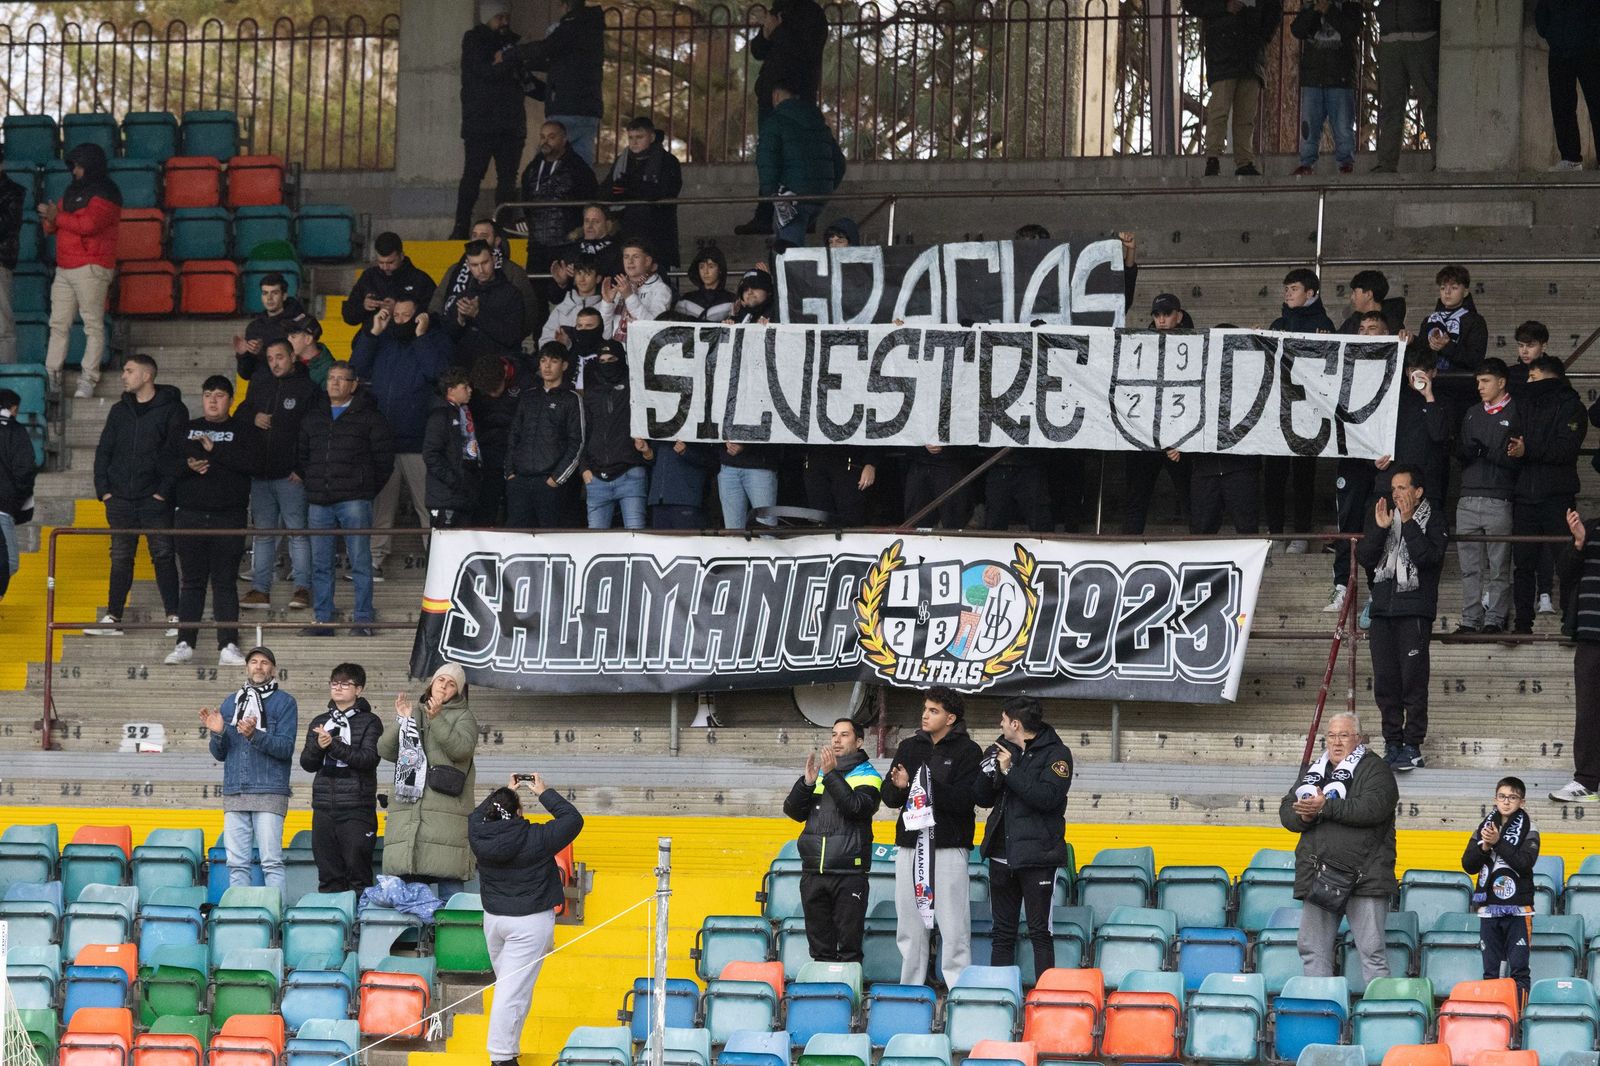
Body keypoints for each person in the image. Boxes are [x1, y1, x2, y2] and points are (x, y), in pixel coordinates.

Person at [470, 773, 584, 1066]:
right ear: (519, 812)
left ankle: (508, 1048)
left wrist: (503, 793)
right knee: (512, 992)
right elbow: (572, 819)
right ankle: (501, 1056)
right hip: (530, 923)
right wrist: (543, 792)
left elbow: (477, 814)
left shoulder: (476, 831)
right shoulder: (536, 837)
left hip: (494, 920)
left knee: (513, 989)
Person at [1281, 711, 1398, 982]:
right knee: (1312, 950)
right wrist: (1304, 815)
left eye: (1343, 735)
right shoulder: (1315, 771)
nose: (1336, 742)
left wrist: (1325, 807)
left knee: (1372, 952)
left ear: (1358, 739)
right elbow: (1287, 810)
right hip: (1320, 875)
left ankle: (1380, 1018)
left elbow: (1373, 809)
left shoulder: (1376, 769)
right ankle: (1319, 1014)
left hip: (1365, 877)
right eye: (1331, 736)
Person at [879, 687, 984, 987]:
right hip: (910, 845)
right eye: (925, 709)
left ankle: (958, 988)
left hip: (949, 847)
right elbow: (888, 796)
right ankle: (911, 987)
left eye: (933, 710)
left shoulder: (968, 751)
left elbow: (964, 800)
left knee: (953, 926)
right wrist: (900, 788)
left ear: (951, 717)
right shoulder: (909, 747)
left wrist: (917, 784)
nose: (925, 715)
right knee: (910, 925)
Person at [352, 297, 453, 577]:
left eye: (406, 315)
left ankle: (438, 565)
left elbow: (438, 374)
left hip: (419, 442)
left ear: (420, 317)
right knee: (381, 508)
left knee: (427, 507)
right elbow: (356, 368)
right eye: (396, 315)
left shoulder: (434, 340)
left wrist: (421, 338)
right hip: (383, 443)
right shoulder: (382, 340)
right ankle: (374, 561)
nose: (399, 320)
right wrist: (373, 332)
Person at [85, 354, 185, 637]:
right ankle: (113, 618)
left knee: (163, 555)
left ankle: (174, 618)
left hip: (154, 499)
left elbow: (177, 454)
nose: (123, 376)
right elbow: (104, 450)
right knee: (120, 557)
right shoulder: (119, 410)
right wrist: (104, 491)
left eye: (129, 371)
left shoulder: (173, 410)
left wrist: (162, 493)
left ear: (146, 375)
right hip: (119, 499)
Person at [972, 696, 1072, 972]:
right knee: (1002, 933)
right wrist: (989, 770)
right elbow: (981, 798)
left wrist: (1010, 771)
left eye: (1003, 720)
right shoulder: (998, 749)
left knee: (1040, 932)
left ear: (1015, 723)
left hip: (1038, 857)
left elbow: (1047, 798)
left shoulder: (1057, 754)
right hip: (1001, 855)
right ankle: (1001, 996)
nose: (1000, 725)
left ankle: (1045, 998)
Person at [164, 375, 258, 667]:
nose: (213, 400)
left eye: (219, 395)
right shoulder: (185, 429)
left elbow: (253, 463)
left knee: (224, 582)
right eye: (208, 395)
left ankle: (228, 645)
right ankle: (184, 643)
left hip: (228, 516)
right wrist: (188, 465)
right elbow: (164, 465)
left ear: (230, 400)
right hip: (189, 514)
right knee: (191, 582)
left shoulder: (243, 431)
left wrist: (215, 450)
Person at [1356, 464, 1445, 771]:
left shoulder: (1433, 517)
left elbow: (1430, 558)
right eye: (1393, 488)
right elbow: (1365, 558)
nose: (1396, 493)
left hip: (1414, 612)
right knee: (1386, 683)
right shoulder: (1384, 517)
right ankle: (1392, 744)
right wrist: (1381, 529)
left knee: (1413, 682)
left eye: (1402, 488)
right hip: (1382, 612)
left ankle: (1413, 746)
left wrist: (1407, 523)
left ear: (1418, 492)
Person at [296, 363, 394, 637]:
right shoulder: (313, 416)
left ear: (354, 385)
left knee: (360, 561)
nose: (335, 383)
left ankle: (363, 619)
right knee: (321, 564)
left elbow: (384, 461)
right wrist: (314, 484)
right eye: (331, 378)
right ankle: (323, 620)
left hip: (354, 501)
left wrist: (365, 489)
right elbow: (302, 457)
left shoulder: (370, 417)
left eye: (342, 379)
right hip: (319, 501)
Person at [781, 718, 882, 963]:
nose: (836, 740)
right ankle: (822, 999)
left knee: (849, 949)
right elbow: (793, 812)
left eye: (844, 735)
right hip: (814, 872)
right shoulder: (822, 775)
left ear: (859, 742)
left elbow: (855, 807)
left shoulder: (869, 776)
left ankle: (848, 997)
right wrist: (806, 783)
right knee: (819, 950)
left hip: (849, 874)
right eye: (834, 734)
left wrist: (831, 774)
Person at [201, 646, 298, 890]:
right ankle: (239, 919)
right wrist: (218, 733)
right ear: (247, 667)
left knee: (271, 862)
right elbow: (219, 754)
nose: (259, 666)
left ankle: (275, 921)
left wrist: (255, 735)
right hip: (235, 790)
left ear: (273, 669)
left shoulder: (285, 702)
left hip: (269, 790)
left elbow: (285, 748)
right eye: (254, 661)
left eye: (265, 662)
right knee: (236, 863)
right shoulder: (231, 702)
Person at [379, 662, 479, 900]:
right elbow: (385, 749)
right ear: (432, 682)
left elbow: (461, 749)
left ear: (458, 691)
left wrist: (437, 719)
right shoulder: (415, 712)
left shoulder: (465, 716)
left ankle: (452, 937)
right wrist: (402, 720)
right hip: (409, 811)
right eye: (441, 680)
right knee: (410, 893)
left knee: (450, 890)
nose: (444, 686)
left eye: (451, 683)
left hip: (446, 816)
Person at [736, 0, 828, 235]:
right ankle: (766, 214)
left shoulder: (810, 13)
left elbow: (805, 51)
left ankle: (801, 214)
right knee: (770, 157)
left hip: (796, 98)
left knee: (795, 158)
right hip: (770, 100)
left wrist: (777, 30)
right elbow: (758, 50)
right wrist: (767, 32)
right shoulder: (779, 12)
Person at [237, 339, 316, 612]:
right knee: (264, 535)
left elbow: (315, 433)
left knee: (298, 533)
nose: (275, 363)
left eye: (280, 357)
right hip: (260, 476)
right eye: (270, 358)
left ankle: (303, 588)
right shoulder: (260, 385)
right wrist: (254, 416)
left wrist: (302, 469)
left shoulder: (308, 390)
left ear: (293, 356)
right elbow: (240, 414)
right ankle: (260, 590)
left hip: (290, 477)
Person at [1511, 355, 1586, 634]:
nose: (1528, 382)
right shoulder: (1524, 404)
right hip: (1525, 496)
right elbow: (1515, 440)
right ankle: (1521, 624)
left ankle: (1570, 622)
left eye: (1534, 377)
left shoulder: (1572, 407)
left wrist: (1528, 451)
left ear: (1551, 377)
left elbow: (1565, 450)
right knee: (1523, 564)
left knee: (1566, 561)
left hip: (1558, 495)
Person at [40, 142, 119, 398]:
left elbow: (89, 224)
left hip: (92, 266)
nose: (74, 171)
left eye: (77, 166)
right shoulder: (71, 192)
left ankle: (88, 379)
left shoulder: (107, 192)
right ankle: (52, 377)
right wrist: (50, 219)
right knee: (58, 324)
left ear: (89, 166)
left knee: (92, 325)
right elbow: (54, 225)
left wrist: (56, 216)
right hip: (65, 267)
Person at [299, 662, 384, 894]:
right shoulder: (320, 721)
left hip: (357, 809)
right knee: (328, 876)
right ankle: (332, 927)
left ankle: (358, 928)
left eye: (345, 684)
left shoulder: (371, 721)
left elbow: (368, 759)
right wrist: (318, 746)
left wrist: (333, 745)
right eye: (334, 683)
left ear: (359, 690)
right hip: (324, 808)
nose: (338, 688)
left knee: (358, 876)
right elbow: (307, 763)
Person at [1454, 358, 1520, 638]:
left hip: (1499, 498)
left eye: (1485, 381)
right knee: (1469, 568)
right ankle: (1470, 620)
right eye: (1478, 381)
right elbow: (1462, 449)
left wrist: (1489, 452)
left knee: (1498, 566)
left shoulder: (1517, 411)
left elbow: (1511, 455)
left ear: (1501, 382)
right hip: (1467, 496)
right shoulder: (1471, 412)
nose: (1479, 387)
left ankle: (1495, 618)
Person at [453, 0, 527, 241]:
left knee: (507, 180)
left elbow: (518, 78)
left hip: (508, 125)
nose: (504, 22)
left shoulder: (510, 45)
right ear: (487, 19)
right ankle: (461, 226)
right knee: (473, 176)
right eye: (499, 18)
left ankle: (502, 229)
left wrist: (504, 60)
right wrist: (508, 61)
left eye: (506, 17)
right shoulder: (474, 40)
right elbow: (485, 73)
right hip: (482, 125)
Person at [1184, 0, 1284, 177]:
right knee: (1220, 110)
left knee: (1245, 114)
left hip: (1248, 52)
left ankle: (1243, 161)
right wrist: (1224, 7)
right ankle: (1214, 158)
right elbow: (1191, 3)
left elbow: (1274, 8)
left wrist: (1262, 34)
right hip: (1228, 51)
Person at [1120, 293, 1193, 535]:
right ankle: (1127, 551)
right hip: (1145, 435)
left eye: (1167, 314)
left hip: (1178, 439)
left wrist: (1183, 439)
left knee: (1191, 498)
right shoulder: (1140, 345)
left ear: (1179, 316)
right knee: (1135, 497)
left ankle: (1201, 549)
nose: (1161, 320)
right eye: (1157, 315)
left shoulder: (1195, 345)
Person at [1463, 776, 1539, 1005]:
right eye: (1502, 797)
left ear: (1522, 802)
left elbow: (1524, 863)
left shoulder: (1530, 829)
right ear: (1495, 799)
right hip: (1488, 907)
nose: (1506, 802)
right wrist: (1484, 846)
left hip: (1518, 909)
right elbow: (1468, 865)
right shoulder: (1484, 828)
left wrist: (1497, 843)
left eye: (1512, 798)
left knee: (1518, 970)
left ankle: (1517, 1018)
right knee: (1490, 970)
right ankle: (1491, 1017)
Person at [502, 0, 605, 166]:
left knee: (545, 160)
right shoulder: (591, 28)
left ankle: (539, 192)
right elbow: (561, 63)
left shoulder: (572, 24)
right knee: (582, 166)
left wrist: (511, 54)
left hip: (567, 106)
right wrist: (526, 64)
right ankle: (584, 192)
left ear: (565, 5)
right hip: (590, 109)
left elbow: (546, 48)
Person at [756, 81, 847, 249]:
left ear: (776, 96)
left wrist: (771, 194)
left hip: (790, 197)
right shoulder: (818, 123)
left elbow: (767, 160)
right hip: (819, 197)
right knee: (788, 241)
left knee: (788, 250)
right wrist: (824, 187)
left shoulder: (775, 122)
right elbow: (840, 163)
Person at [505, 344, 584, 528]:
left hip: (550, 483)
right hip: (520, 481)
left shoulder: (572, 398)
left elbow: (577, 443)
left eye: (553, 361)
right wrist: (510, 473)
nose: (547, 366)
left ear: (564, 365)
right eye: (543, 360)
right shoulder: (528, 396)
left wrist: (556, 479)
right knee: (515, 541)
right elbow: (514, 436)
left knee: (551, 542)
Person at [1552, 508, 1600, 802]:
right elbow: (1566, 574)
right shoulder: (1590, 528)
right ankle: (1586, 781)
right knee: (1589, 713)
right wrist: (1578, 543)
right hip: (1590, 635)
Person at [580, 340, 649, 529]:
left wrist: (646, 452)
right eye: (602, 360)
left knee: (637, 540)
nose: (607, 363)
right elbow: (584, 433)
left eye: (612, 359)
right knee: (596, 546)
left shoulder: (636, 387)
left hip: (631, 474)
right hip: (596, 479)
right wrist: (584, 468)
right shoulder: (592, 393)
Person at [519, 122, 601, 280]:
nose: (545, 141)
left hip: (568, 244)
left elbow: (591, 201)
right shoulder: (531, 169)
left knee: (566, 294)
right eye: (542, 137)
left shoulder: (578, 168)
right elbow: (525, 202)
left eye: (551, 137)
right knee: (537, 292)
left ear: (564, 139)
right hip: (537, 244)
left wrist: (579, 232)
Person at [431, 221, 538, 340]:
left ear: (497, 241)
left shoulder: (514, 272)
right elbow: (438, 300)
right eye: (474, 235)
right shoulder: (455, 269)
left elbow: (528, 315)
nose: (477, 239)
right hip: (460, 344)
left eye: (483, 236)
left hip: (500, 347)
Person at [1291, 0, 1361, 175]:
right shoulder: (1310, 5)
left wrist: (1329, 10)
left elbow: (1351, 29)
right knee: (1309, 125)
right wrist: (1315, 10)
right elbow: (1297, 30)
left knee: (1344, 125)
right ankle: (1306, 163)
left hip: (1340, 76)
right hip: (1313, 76)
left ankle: (1346, 163)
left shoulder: (1350, 5)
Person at [1372, 0, 1440, 173]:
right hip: (1392, 38)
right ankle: (1386, 162)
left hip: (1421, 35)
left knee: (1430, 102)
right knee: (1390, 105)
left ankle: (1441, 159)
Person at [606, 118, 683, 270]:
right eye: (631, 137)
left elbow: (663, 192)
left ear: (652, 137)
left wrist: (627, 189)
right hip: (625, 233)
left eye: (639, 137)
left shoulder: (668, 161)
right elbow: (607, 190)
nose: (634, 142)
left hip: (657, 235)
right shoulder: (622, 161)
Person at [441, 241, 530, 367]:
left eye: (484, 263)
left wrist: (477, 314)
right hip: (467, 370)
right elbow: (449, 337)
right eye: (474, 265)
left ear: (493, 259)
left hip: (499, 370)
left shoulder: (512, 294)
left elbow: (512, 337)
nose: (481, 270)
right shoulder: (463, 296)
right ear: (468, 265)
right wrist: (460, 320)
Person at [1536, 0, 1600, 171]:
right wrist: (1548, 32)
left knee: (1595, 104)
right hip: (1561, 49)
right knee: (1561, 105)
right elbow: (1542, 11)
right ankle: (1570, 158)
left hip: (1590, 49)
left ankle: (1571, 158)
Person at [423, 368, 482, 529]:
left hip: (463, 495)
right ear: (451, 391)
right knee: (443, 547)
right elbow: (431, 454)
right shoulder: (440, 415)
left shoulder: (464, 413)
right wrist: (454, 480)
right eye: (465, 387)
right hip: (445, 496)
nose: (470, 390)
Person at [1425, 263, 1488, 413]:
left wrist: (1446, 347)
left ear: (1465, 291)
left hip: (1463, 392)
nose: (1447, 292)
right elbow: (1421, 356)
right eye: (1442, 288)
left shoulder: (1475, 321)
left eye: (1453, 288)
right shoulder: (1429, 320)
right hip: (1432, 390)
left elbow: (1475, 359)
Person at [343, 233, 437, 331]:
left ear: (401, 256)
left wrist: (399, 310)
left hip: (408, 340)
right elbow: (349, 317)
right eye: (380, 262)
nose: (385, 267)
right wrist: (363, 306)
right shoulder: (369, 276)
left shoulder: (420, 279)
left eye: (390, 262)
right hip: (373, 338)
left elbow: (434, 314)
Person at [470, 355, 519, 525]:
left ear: (505, 375)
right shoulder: (476, 387)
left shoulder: (525, 380)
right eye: (487, 393)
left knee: (515, 509)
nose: (492, 395)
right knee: (486, 504)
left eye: (495, 389)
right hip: (488, 457)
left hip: (517, 459)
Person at [0, 389, 37, 599]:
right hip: (3, 506)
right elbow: (25, 470)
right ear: (13, 408)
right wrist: (16, 501)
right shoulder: (14, 430)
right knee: (9, 563)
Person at [234, 273, 307, 376]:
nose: (269, 298)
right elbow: (245, 374)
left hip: (289, 387)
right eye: (265, 293)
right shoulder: (254, 327)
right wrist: (243, 354)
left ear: (284, 296)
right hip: (260, 387)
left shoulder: (297, 323)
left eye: (275, 293)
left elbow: (299, 363)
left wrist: (261, 352)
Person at [601, 239, 675, 341]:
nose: (630, 261)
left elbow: (653, 328)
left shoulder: (661, 289)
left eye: (635, 256)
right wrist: (607, 303)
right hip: (616, 353)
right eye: (626, 257)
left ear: (648, 261)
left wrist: (629, 297)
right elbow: (605, 334)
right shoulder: (621, 287)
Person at [540, 256, 613, 347]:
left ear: (598, 278)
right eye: (579, 273)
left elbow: (608, 341)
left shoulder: (606, 307)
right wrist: (562, 346)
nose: (582, 279)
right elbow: (545, 341)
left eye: (588, 274)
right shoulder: (561, 308)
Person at [648, 439, 717, 529]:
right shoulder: (658, 431)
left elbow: (711, 460)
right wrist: (647, 453)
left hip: (686, 498)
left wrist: (686, 452)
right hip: (658, 500)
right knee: (661, 542)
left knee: (686, 542)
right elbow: (653, 460)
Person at [718, 441, 780, 529]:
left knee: (766, 528)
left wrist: (746, 446)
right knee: (733, 530)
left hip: (760, 464)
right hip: (729, 464)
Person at [0, 156, 25, 363]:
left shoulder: (13, 191)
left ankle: (7, 374)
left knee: (3, 324)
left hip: (0, 259)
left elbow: (7, 225)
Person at [673, 246, 735, 324]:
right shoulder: (686, 300)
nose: (705, 272)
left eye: (711, 266)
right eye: (701, 267)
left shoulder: (731, 300)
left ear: (720, 270)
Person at [285, 312, 336, 389]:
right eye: (288, 336)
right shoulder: (289, 362)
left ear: (308, 339)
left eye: (293, 336)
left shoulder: (330, 372)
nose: (288, 340)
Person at [1508, 321, 1549, 397]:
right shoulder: (1510, 374)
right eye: (1520, 345)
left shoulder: (1552, 373)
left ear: (1543, 347)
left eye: (1530, 346)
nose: (1524, 351)